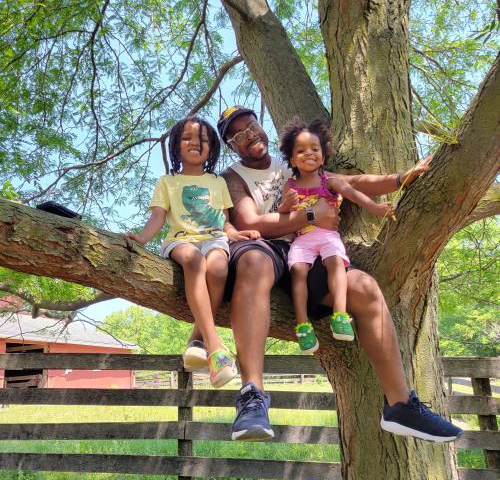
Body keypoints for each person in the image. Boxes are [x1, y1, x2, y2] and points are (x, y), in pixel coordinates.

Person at [217, 105, 462, 443]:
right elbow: (250, 223)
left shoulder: (292, 165)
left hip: (307, 252)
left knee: (363, 285)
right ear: (232, 146)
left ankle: (401, 405)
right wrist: (311, 217)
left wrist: (399, 179)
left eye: (251, 126)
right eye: (238, 135)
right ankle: (252, 397)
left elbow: (350, 183)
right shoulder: (232, 177)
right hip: (265, 250)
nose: (249, 136)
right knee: (254, 262)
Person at [126, 115, 259, 388]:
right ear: (176, 146)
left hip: (215, 239)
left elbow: (223, 218)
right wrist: (141, 238)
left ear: (212, 147)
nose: (195, 143)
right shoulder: (168, 182)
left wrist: (233, 234)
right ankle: (215, 347)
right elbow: (158, 217)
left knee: (220, 267)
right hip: (181, 240)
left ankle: (195, 341)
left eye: (202, 139)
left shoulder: (217, 181)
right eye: (187, 138)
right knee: (195, 261)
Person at [278, 117, 395, 351]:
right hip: (302, 239)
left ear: (323, 154)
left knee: (335, 264)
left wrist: (377, 208)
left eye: (314, 149)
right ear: (292, 159)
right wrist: (285, 204)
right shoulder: (290, 185)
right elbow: (283, 214)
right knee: (298, 272)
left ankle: (340, 316)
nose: (309, 154)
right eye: (301, 151)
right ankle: (303, 325)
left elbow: (353, 193)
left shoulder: (329, 181)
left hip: (327, 235)